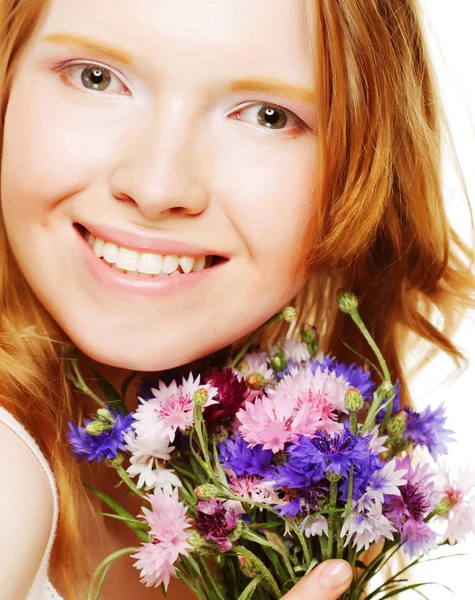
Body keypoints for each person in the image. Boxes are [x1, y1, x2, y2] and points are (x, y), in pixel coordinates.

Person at [0, 0, 473, 598]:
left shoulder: (272, 497)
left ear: (364, 168)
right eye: (96, 77)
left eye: (268, 116)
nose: (156, 186)